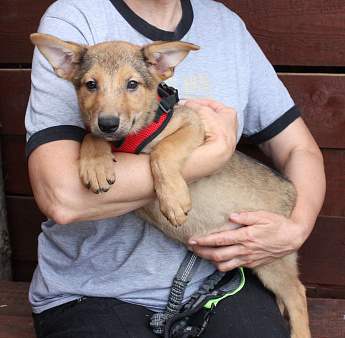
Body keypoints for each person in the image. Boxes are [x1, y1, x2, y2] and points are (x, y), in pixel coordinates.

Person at [25, 0, 325, 337]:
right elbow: (64, 198)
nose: (108, 107)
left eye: (130, 86)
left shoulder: (226, 27)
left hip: (216, 278)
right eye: (92, 85)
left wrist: (297, 227)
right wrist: (212, 156)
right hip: (93, 290)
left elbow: (300, 148)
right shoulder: (76, 16)